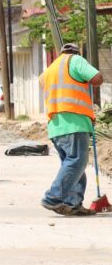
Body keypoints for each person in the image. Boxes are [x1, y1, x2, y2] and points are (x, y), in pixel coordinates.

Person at [40, 43, 103, 216]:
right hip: (74, 121)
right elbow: (97, 78)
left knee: (73, 165)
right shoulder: (75, 60)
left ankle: (73, 203)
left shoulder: (48, 71)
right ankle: (53, 197)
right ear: (76, 52)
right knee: (77, 162)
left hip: (56, 125)